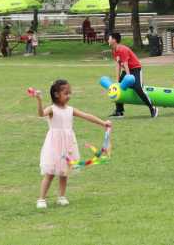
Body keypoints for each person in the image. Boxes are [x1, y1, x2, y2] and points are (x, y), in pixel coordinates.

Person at [30, 79, 112, 209]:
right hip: (54, 145)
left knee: (65, 172)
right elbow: (41, 114)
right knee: (50, 173)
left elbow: (87, 116)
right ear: (57, 94)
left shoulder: (70, 109)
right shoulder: (52, 109)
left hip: (68, 144)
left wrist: (103, 123)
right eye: (66, 93)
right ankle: (41, 199)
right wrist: (39, 100)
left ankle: (61, 196)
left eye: (70, 93)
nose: (69, 96)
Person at [109, 32, 158, 118]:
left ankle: (152, 108)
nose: (108, 40)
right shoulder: (114, 50)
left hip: (136, 69)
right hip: (126, 70)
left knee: (138, 88)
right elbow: (118, 65)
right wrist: (117, 81)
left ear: (114, 40)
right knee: (117, 87)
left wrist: (129, 78)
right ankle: (119, 111)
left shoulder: (122, 49)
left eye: (109, 38)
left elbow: (126, 64)